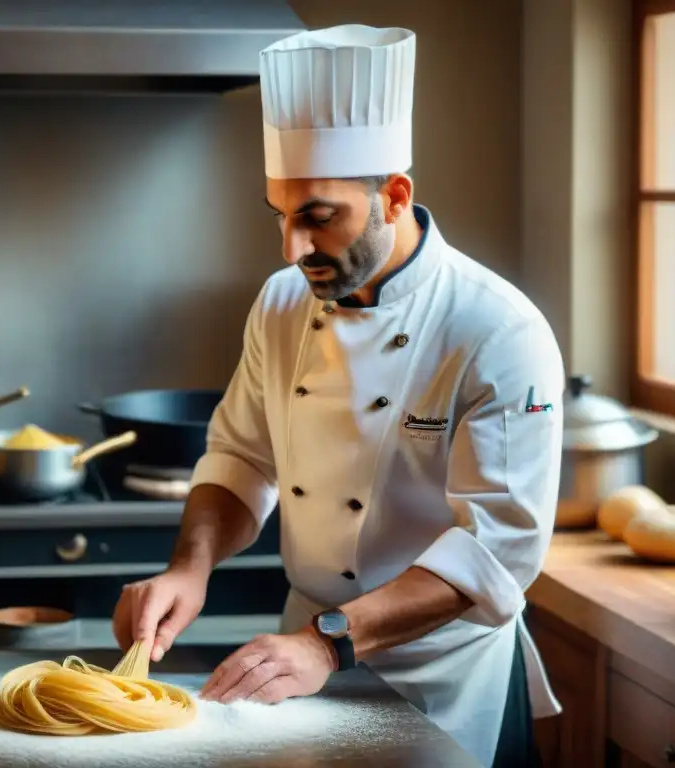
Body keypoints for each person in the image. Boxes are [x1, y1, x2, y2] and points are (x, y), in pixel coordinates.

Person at [112, 24, 564, 767]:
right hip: (303, 665)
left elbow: (497, 551)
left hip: (443, 677)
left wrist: (331, 640)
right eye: (281, 217)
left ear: (394, 195)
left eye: (318, 218)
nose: (292, 250)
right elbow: (239, 458)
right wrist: (187, 569)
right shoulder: (283, 301)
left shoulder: (496, 330)